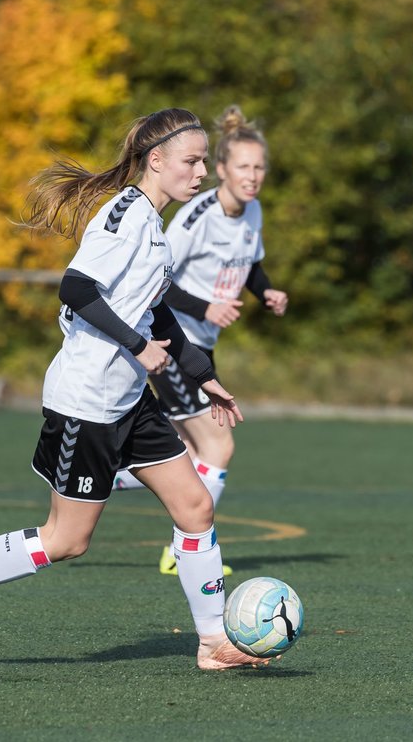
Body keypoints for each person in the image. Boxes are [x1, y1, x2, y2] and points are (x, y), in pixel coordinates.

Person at [0, 108, 269, 670]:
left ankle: (214, 642)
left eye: (201, 162)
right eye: (191, 161)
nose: (200, 173)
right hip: (87, 403)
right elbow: (75, 287)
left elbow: (156, 313)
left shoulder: (156, 229)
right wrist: (139, 349)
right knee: (66, 540)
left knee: (194, 507)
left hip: (131, 402)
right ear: (156, 160)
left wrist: (203, 375)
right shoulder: (124, 216)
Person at [110, 105, 288, 576]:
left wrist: (264, 289)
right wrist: (206, 308)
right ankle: (184, 549)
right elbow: (160, 281)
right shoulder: (194, 218)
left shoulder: (253, 211)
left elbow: (250, 262)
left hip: (200, 347)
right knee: (219, 447)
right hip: (173, 346)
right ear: (223, 170)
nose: (253, 177)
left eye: (260, 168)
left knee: (187, 456)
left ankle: (98, 479)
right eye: (244, 167)